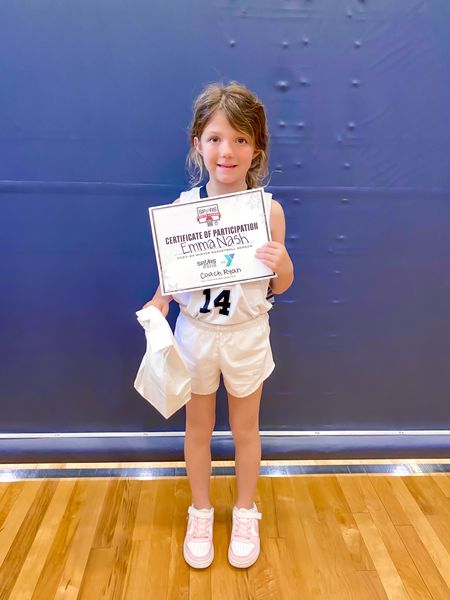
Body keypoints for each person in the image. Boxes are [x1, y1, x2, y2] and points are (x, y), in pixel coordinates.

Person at [144, 82, 294, 569]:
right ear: (197, 145)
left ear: (257, 149)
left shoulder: (268, 211)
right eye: (214, 138)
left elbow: (282, 284)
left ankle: (246, 510)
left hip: (247, 335)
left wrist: (283, 261)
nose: (226, 150)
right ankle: (202, 510)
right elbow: (172, 278)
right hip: (196, 334)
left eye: (240, 140)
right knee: (198, 429)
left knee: (247, 430)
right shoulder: (183, 210)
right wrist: (159, 303)